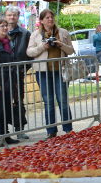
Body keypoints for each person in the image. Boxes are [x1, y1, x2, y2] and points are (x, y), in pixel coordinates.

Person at [27, 9, 75, 139]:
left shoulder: (63, 32)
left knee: (62, 100)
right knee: (48, 101)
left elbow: (71, 50)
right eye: (47, 17)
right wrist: (43, 47)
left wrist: (61, 45)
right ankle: (51, 131)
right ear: (41, 21)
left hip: (60, 71)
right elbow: (29, 52)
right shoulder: (35, 35)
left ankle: (68, 129)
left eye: (51, 17)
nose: (50, 19)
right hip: (43, 72)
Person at [4, 6, 32, 140]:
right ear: (5, 16)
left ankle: (19, 129)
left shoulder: (25, 33)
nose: (11, 17)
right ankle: (5, 131)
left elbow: (30, 54)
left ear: (18, 16)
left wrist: (23, 69)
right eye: (9, 15)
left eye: (14, 15)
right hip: (2, 75)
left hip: (18, 73)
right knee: (4, 102)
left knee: (18, 101)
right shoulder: (0, 32)